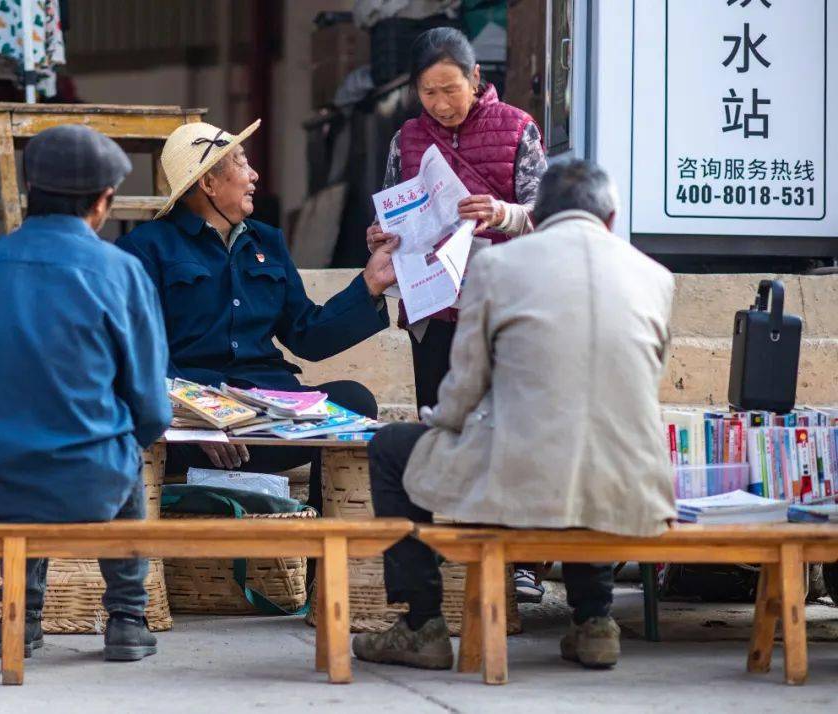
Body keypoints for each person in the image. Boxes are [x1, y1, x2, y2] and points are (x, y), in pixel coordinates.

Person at [352, 160, 677, 671]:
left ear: (538, 215)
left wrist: (442, 420)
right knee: (585, 444)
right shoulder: (656, 277)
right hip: (635, 480)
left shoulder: (497, 267)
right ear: (610, 219)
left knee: (391, 448)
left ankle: (421, 626)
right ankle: (594, 621)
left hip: (524, 477)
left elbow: (464, 385)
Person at [0, 125, 171, 662]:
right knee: (126, 448)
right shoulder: (121, 272)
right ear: (103, 201)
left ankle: (23, 616)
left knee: (28, 435)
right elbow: (152, 411)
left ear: (29, 192)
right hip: (90, 485)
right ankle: (129, 619)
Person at [118, 120, 397, 509]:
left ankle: (318, 562)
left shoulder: (267, 240)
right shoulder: (146, 247)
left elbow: (307, 334)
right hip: (194, 427)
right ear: (208, 183)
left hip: (269, 415)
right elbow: (139, 352)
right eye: (240, 163)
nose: (254, 175)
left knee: (354, 401)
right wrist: (197, 416)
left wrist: (369, 285)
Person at [367, 27, 549, 602]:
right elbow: (393, 209)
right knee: (441, 430)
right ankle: (447, 550)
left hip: (502, 310)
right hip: (434, 307)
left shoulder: (518, 128)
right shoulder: (407, 138)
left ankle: (520, 560)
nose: (441, 105)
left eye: (451, 89)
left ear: (476, 79)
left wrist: (503, 212)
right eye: (428, 94)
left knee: (509, 432)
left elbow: (550, 217)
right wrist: (382, 236)